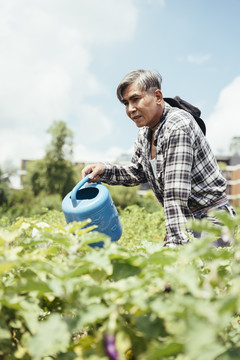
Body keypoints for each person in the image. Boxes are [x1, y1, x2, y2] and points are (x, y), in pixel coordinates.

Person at [82, 69, 235, 247]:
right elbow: (137, 171)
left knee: (206, 272)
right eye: (126, 103)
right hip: (188, 219)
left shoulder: (177, 126)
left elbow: (175, 194)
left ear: (157, 96)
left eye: (135, 99)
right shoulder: (146, 132)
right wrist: (104, 169)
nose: (130, 109)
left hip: (212, 219)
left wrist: (176, 244)